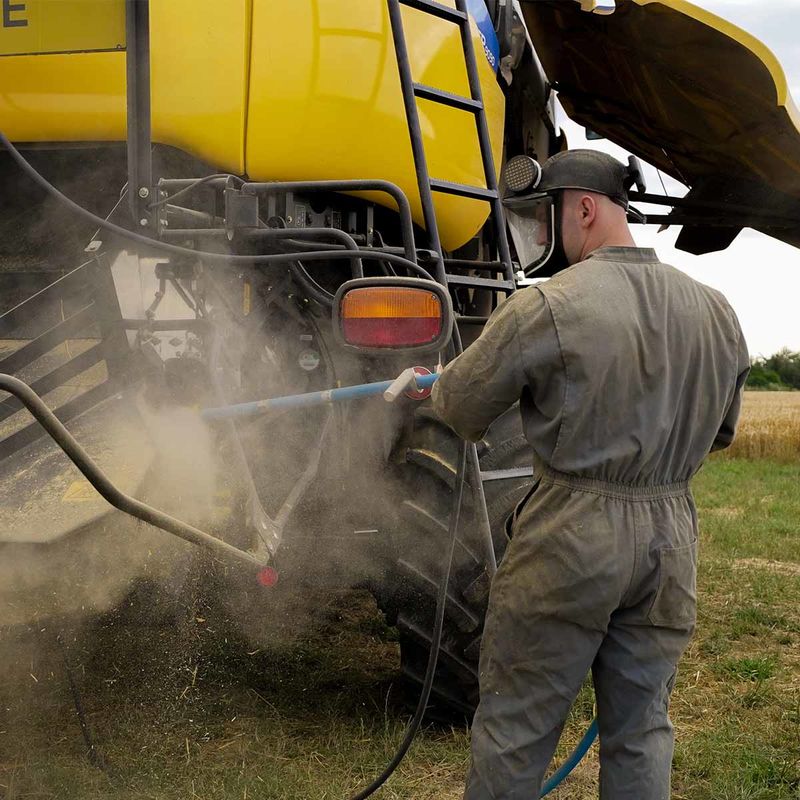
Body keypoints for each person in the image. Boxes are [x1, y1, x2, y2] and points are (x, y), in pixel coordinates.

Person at [431, 149, 750, 800]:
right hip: (668, 543)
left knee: (517, 727)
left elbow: (461, 408)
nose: (541, 239)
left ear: (584, 208)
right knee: (640, 732)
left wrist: (430, 390)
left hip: (570, 537)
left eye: (545, 222)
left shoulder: (547, 305)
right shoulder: (717, 311)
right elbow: (720, 433)